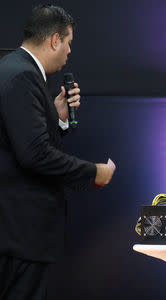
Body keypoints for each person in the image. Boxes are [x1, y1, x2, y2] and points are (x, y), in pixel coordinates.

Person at [0, 5, 115, 299]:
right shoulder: (22, 76)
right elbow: (34, 153)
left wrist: (57, 117)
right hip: (19, 233)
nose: (69, 53)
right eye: (68, 43)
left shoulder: (13, 67)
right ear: (54, 40)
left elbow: (18, 139)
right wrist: (94, 173)